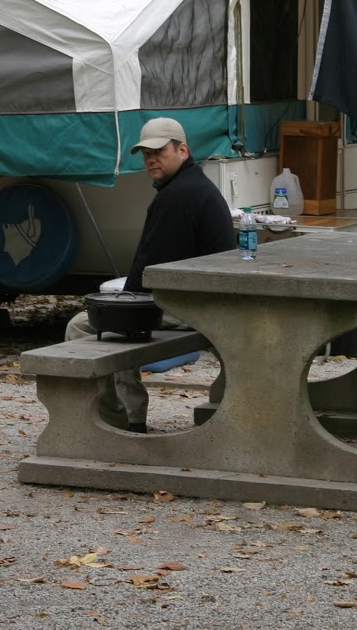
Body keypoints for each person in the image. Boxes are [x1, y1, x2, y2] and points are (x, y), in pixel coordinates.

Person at [65, 116, 235, 432]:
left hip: (195, 309)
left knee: (85, 326)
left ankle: (115, 419)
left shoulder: (177, 197)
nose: (151, 159)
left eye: (159, 151)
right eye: (146, 154)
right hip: (213, 303)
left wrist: (118, 306)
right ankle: (130, 415)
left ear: (182, 150)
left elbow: (147, 271)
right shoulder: (195, 186)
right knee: (119, 318)